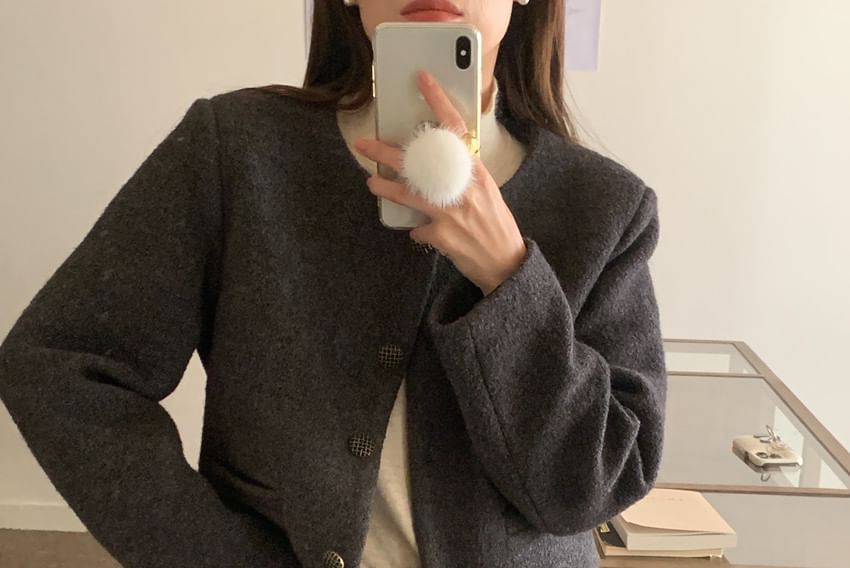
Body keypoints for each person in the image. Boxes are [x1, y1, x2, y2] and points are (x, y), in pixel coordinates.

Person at [0, 1, 668, 567]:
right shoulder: (239, 152)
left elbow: (593, 487)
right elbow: (60, 364)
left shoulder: (605, 207)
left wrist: (508, 275)